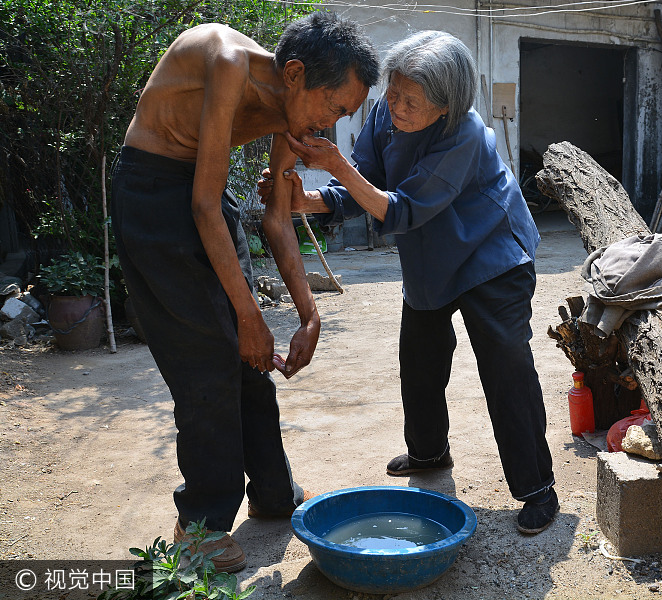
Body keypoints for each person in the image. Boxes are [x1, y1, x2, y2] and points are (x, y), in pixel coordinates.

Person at [110, 13, 379, 572]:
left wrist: (309, 316)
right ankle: (201, 525)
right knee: (207, 361)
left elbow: (278, 219)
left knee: (248, 362)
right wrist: (249, 313)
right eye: (333, 106)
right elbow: (202, 204)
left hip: (203, 193)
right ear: (296, 74)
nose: (330, 125)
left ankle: (273, 491)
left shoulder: (296, 112)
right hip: (154, 193)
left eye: (343, 115)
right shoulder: (227, 61)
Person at [261, 30, 558, 534]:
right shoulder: (384, 114)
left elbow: (399, 208)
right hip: (431, 254)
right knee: (419, 359)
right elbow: (365, 182)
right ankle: (429, 453)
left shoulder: (466, 135)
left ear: (446, 107)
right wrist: (306, 201)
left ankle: (536, 488)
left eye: (411, 102)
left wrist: (333, 163)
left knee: (505, 367)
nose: (395, 106)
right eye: (393, 92)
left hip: (491, 255)